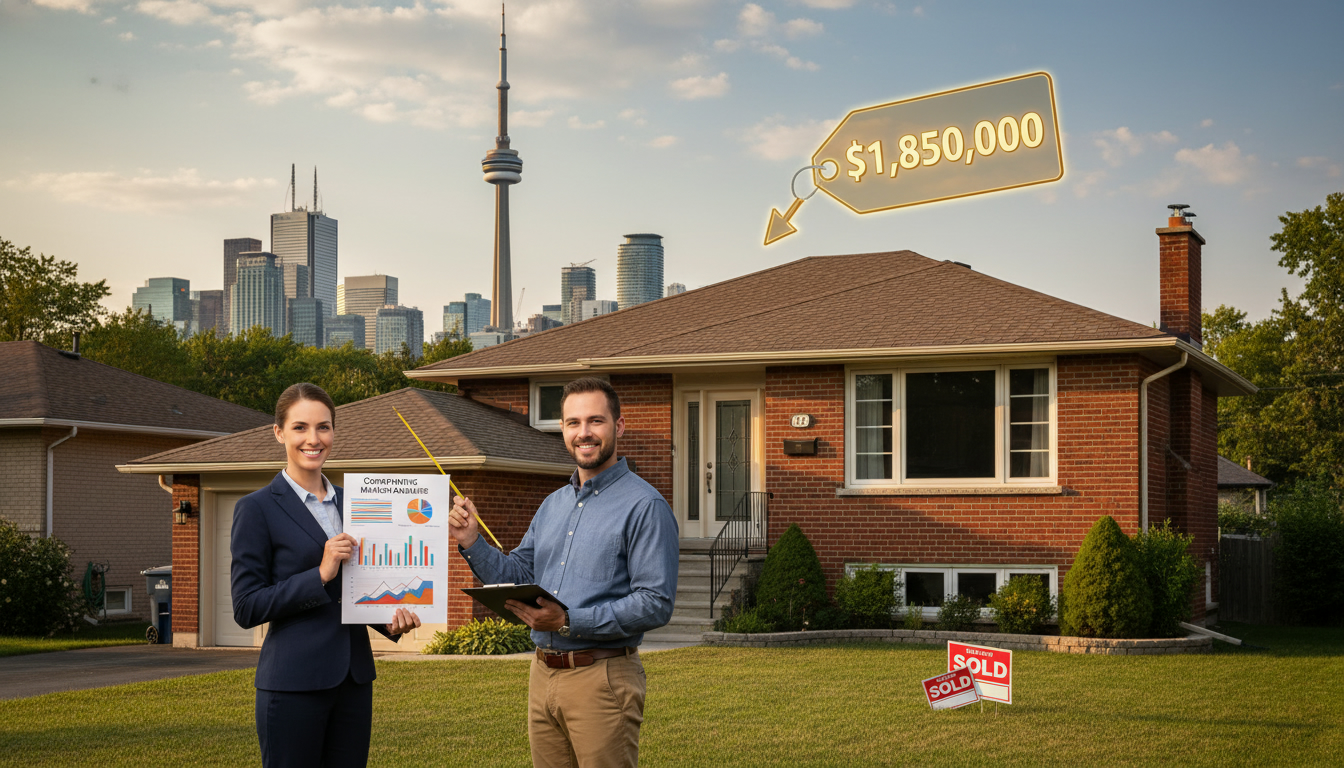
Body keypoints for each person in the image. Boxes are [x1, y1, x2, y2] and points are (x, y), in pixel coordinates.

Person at [449, 377, 679, 768]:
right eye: (573, 423)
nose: (583, 433)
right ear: (563, 430)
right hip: (543, 674)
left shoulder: (645, 506)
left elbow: (655, 603)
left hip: (602, 679)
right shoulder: (553, 504)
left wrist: (568, 620)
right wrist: (472, 542)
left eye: (595, 421)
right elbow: (519, 571)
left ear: (618, 427)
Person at [231, 382, 421, 768]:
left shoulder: (359, 503)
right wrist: (319, 573)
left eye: (324, 427)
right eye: (300, 427)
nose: (313, 439)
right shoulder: (256, 509)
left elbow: (359, 588)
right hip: (292, 684)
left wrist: (391, 621)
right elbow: (246, 606)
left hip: (353, 681)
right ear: (279, 432)